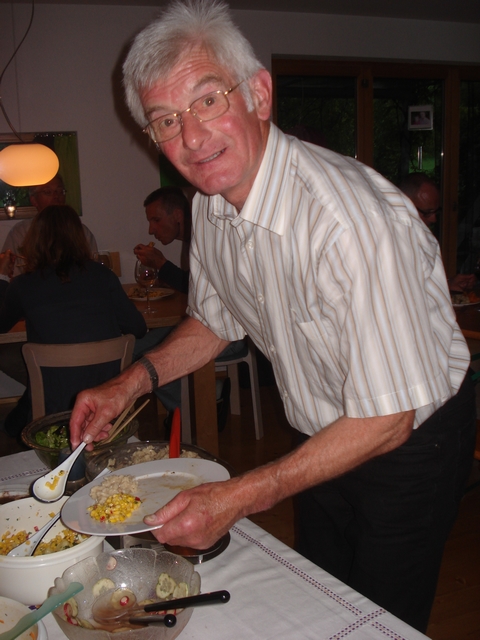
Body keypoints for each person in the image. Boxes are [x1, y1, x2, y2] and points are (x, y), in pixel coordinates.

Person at [70, 1, 475, 632]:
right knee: (323, 597)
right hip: (323, 433)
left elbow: (389, 418)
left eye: (208, 100)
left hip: (409, 439)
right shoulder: (211, 204)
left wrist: (237, 496)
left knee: (381, 619)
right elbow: (215, 320)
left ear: (258, 94)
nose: (192, 138)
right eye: (167, 121)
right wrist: (131, 383)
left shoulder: (350, 223)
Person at [0, 205, 146, 435]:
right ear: (79, 238)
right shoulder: (103, 276)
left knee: (27, 384)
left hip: (53, 399)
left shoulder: (23, 286)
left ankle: (21, 424)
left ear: (35, 241)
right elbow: (138, 328)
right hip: (105, 394)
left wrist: (1, 275)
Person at [132, 186, 243, 431]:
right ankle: (191, 408)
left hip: (228, 333)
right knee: (137, 347)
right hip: (209, 324)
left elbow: (198, 290)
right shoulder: (194, 238)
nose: (151, 229)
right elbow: (195, 285)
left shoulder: (206, 236)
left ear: (178, 216)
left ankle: (196, 415)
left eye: (156, 220)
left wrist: (162, 264)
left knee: (144, 352)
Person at [2, 174, 98, 278]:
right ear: (34, 200)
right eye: (48, 192)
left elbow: (92, 269)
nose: (56, 196)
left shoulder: (80, 231)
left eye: (60, 191)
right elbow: (11, 273)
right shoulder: (20, 232)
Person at [399, 172, 476, 291]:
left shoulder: (425, 239)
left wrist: (448, 284)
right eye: (427, 212)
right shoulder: (394, 241)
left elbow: (421, 285)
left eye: (436, 211)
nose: (434, 219)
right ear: (405, 206)